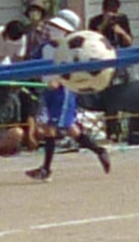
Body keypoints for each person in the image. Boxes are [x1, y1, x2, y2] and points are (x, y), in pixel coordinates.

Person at [25, 10, 112, 181]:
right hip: (48, 91)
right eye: (51, 26)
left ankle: (46, 169)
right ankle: (99, 150)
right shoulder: (44, 48)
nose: (51, 30)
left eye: (56, 27)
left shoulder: (71, 50)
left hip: (62, 91)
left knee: (52, 127)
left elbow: (75, 72)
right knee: (71, 129)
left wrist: (58, 79)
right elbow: (34, 64)